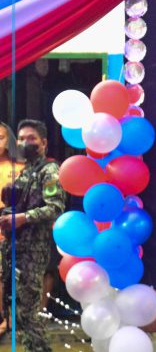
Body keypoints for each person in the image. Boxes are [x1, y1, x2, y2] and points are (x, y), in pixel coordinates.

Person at [0, 119, 66, 352]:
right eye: (21, 138)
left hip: (32, 252)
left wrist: (22, 218)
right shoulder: (26, 170)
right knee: (18, 312)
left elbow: (55, 207)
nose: (25, 143)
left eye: (31, 138)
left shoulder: (49, 170)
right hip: (13, 248)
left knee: (29, 315)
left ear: (44, 142)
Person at [0, 122, 22, 338]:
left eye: (1, 137)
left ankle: (12, 319)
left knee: (13, 275)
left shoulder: (18, 166)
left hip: (13, 223)